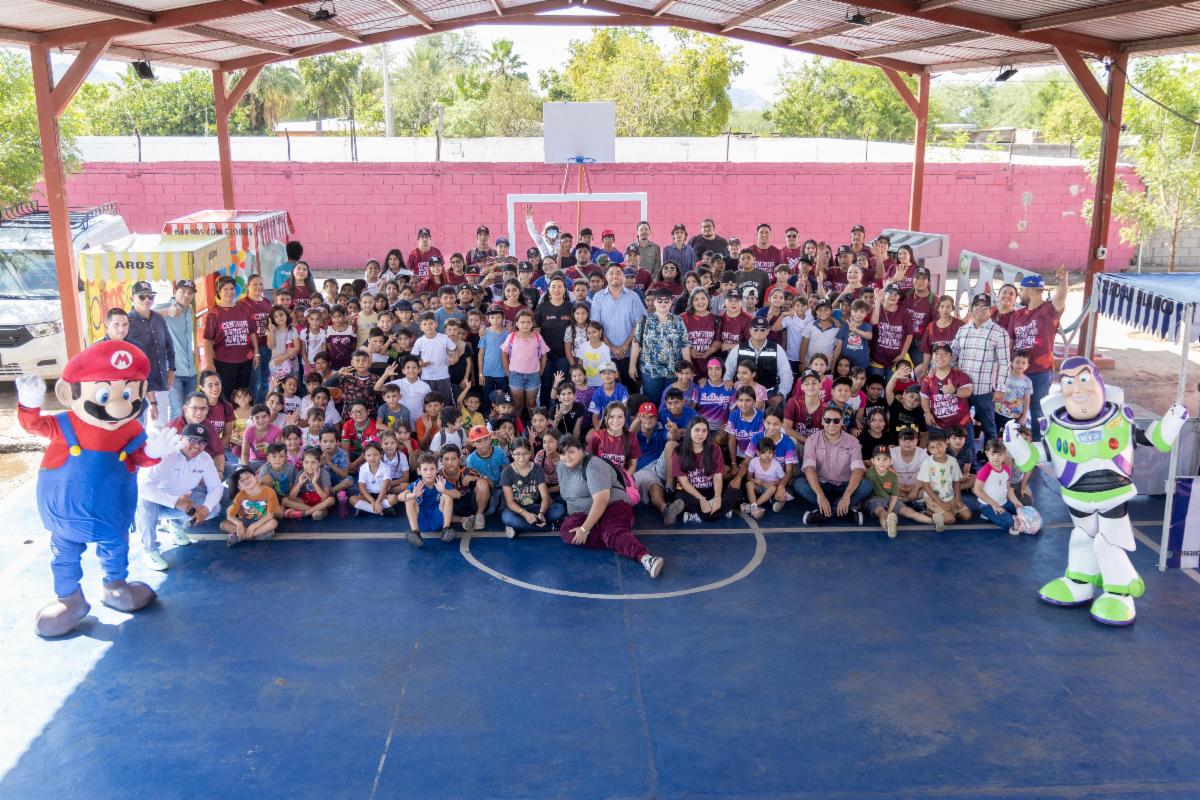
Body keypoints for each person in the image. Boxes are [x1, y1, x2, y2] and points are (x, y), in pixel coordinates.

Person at [555, 434, 664, 578]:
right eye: (562, 453)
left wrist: (584, 529)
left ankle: (646, 558)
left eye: (571, 451)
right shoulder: (561, 468)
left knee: (612, 532)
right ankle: (614, 537)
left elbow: (601, 500)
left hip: (613, 505)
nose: (567, 456)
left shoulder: (593, 465)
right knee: (567, 532)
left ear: (582, 450)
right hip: (584, 513)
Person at [134, 422, 222, 570]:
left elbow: (215, 487)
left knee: (213, 508)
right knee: (145, 503)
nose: (197, 445)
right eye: (192, 440)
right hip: (157, 499)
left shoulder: (205, 458)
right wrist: (175, 502)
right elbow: (143, 487)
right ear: (181, 438)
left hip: (183, 499)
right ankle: (149, 550)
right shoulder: (166, 454)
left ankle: (176, 525)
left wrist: (205, 508)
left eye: (202, 442)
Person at [1010, 268, 1068, 441]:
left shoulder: (1049, 309)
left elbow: (1061, 297)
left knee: (1037, 410)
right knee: (1013, 408)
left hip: (1040, 371)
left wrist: (1063, 281)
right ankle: (1014, 445)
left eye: (1021, 290)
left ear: (1030, 290)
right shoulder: (1018, 314)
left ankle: (1038, 446)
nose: (1020, 293)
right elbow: (1011, 341)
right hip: (1018, 371)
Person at [951, 293, 1011, 454]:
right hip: (962, 389)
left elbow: (1005, 363)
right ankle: (964, 457)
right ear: (971, 309)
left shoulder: (999, 333)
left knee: (989, 426)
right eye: (977, 306)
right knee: (960, 425)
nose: (980, 309)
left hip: (984, 390)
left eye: (985, 307)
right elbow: (953, 356)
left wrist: (1001, 388)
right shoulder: (962, 330)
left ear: (991, 310)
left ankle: (992, 458)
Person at [796, 407, 871, 525]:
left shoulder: (853, 441)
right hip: (821, 485)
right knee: (799, 484)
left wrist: (846, 496)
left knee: (867, 485)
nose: (832, 424)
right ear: (822, 421)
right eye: (828, 420)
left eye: (836, 421)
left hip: (844, 486)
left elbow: (858, 469)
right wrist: (820, 495)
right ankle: (841, 511)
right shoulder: (812, 440)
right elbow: (809, 468)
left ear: (842, 421)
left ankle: (825, 512)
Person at [631, 288, 693, 405]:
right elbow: (636, 343)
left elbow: (684, 345)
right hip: (650, 371)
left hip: (673, 371)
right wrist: (632, 365)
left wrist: (688, 369)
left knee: (671, 402)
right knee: (652, 401)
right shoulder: (644, 321)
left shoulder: (678, 321)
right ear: (654, 302)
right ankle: (654, 423)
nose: (663, 303)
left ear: (671, 302)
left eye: (666, 301)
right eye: (659, 301)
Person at [590, 263, 646, 392]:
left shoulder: (633, 296)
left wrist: (626, 345)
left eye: (618, 273)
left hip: (630, 354)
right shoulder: (598, 297)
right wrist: (611, 347)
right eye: (611, 273)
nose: (615, 276)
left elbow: (639, 322)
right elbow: (595, 326)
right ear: (606, 276)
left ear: (623, 277)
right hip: (606, 354)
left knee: (632, 390)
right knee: (609, 391)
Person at [125, 280, 174, 426]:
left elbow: (169, 345)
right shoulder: (126, 322)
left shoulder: (158, 318)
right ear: (131, 299)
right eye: (142, 297)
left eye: (150, 296)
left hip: (160, 379)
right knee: (139, 427)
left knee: (162, 425)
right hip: (138, 384)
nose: (147, 300)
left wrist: (172, 369)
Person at [202, 276, 258, 401]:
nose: (229, 292)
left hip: (245, 360)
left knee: (243, 395)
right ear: (219, 292)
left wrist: (257, 353)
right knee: (226, 396)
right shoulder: (214, 313)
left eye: (232, 288)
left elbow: (252, 332)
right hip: (224, 362)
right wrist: (209, 362)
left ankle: (240, 419)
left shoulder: (245, 309)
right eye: (225, 289)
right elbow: (208, 340)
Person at [499, 437, 565, 538]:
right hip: (517, 511)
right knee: (507, 517)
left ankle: (518, 527)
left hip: (536, 507)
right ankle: (550, 527)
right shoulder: (506, 472)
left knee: (559, 510)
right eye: (517, 454)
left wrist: (542, 512)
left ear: (530, 453)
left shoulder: (537, 469)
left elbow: (545, 496)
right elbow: (510, 502)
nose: (521, 457)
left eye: (525, 453)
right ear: (512, 454)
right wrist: (525, 514)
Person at [155, 280, 198, 423]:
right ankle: (176, 444)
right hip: (174, 372)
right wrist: (167, 312)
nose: (186, 295)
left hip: (191, 371)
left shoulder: (189, 310)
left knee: (191, 411)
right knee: (177, 411)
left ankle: (189, 442)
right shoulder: (167, 307)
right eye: (183, 291)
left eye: (190, 293)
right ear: (175, 292)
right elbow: (142, 315)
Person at [723, 317, 792, 402]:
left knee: (776, 412)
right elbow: (728, 371)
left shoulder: (777, 349)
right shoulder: (738, 349)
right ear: (750, 330)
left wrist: (781, 394)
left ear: (768, 331)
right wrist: (727, 381)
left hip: (769, 393)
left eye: (763, 329)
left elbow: (786, 374)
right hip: (742, 394)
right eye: (755, 329)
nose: (758, 332)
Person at [917, 429, 971, 531]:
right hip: (933, 499)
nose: (937, 449)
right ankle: (927, 511)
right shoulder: (927, 463)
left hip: (950, 497)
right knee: (951, 520)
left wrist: (958, 499)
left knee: (967, 516)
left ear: (946, 444)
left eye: (940, 445)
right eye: (933, 447)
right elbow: (926, 486)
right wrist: (940, 503)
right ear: (929, 450)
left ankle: (946, 512)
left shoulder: (952, 461)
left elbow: (956, 481)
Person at [974, 438, 1026, 535]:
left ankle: (1002, 515)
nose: (996, 458)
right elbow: (977, 490)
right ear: (987, 453)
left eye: (1000, 454)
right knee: (1009, 522)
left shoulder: (1006, 470)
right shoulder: (985, 470)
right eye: (993, 454)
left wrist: (1016, 502)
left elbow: (1009, 490)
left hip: (1003, 502)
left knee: (1022, 512)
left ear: (1005, 455)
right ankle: (987, 514)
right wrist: (993, 503)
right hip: (987, 504)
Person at [222, 467, 280, 546]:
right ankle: (258, 535)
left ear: (256, 477)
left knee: (273, 523)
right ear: (240, 487)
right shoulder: (240, 496)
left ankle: (240, 537)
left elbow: (270, 516)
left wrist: (253, 526)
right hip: (244, 521)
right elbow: (230, 515)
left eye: (248, 477)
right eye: (242, 480)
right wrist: (238, 523)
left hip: (261, 522)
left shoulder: (269, 492)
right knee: (223, 525)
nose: (246, 480)